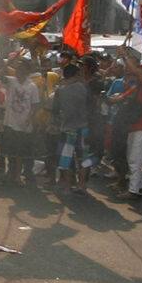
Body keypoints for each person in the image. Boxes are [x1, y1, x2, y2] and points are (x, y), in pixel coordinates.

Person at [110, 54, 142, 200]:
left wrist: (124, 54)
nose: (134, 73)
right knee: (132, 159)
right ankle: (137, 186)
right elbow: (121, 98)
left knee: (135, 160)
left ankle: (134, 191)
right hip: (134, 127)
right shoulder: (135, 88)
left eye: (139, 71)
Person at [0, 58, 39, 187]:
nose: (18, 71)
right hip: (10, 122)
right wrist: (7, 61)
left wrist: (29, 118)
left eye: (21, 69)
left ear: (27, 71)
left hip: (24, 124)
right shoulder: (11, 82)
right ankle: (11, 173)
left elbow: (35, 105)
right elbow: (0, 75)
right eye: (17, 69)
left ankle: (17, 175)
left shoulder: (32, 86)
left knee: (21, 152)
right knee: (10, 150)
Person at [53, 63, 88, 191]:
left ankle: (67, 186)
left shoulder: (60, 90)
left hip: (67, 128)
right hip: (83, 127)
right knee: (83, 158)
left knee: (65, 159)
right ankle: (81, 184)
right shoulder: (83, 88)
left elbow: (55, 110)